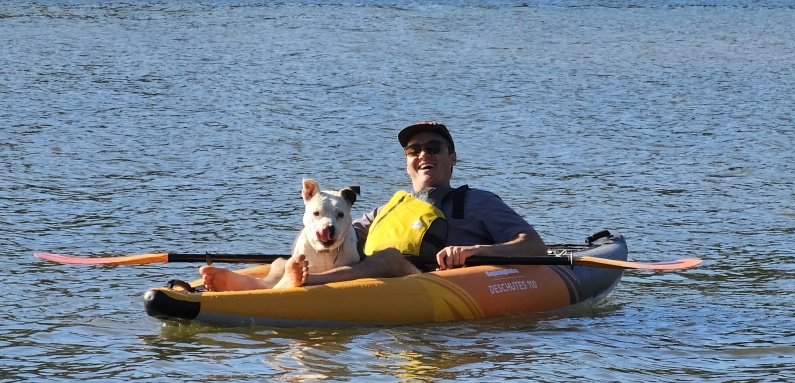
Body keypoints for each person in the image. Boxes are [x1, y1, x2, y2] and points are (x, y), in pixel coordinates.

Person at [200, 121, 547, 291]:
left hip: (433, 284)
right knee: (284, 259)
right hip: (380, 285)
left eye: (434, 147)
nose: (423, 154)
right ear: (407, 162)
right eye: (414, 150)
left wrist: (473, 250)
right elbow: (339, 235)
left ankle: (305, 285)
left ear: (453, 157)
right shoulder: (389, 209)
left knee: (388, 257)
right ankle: (257, 285)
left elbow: (534, 246)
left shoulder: (478, 201)